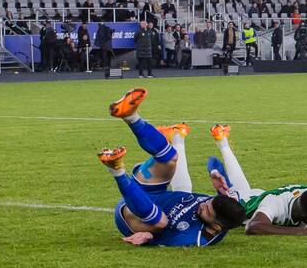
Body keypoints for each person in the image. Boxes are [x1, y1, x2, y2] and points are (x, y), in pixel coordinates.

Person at [96, 88, 246, 247]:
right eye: (209, 202)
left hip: (133, 216)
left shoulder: (195, 239)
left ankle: (116, 169)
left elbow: (162, 240)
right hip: (151, 191)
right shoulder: (227, 203)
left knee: (161, 222)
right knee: (171, 158)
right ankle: (130, 116)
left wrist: (147, 237)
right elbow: (213, 162)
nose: (203, 204)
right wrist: (215, 173)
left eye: (207, 211)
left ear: (216, 227)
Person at [203, 124, 307, 236]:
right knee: (231, 190)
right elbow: (253, 227)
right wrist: (301, 232)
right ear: (303, 214)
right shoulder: (275, 204)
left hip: (257, 195)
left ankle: (222, 139)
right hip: (241, 203)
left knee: (244, 188)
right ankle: (202, 142)